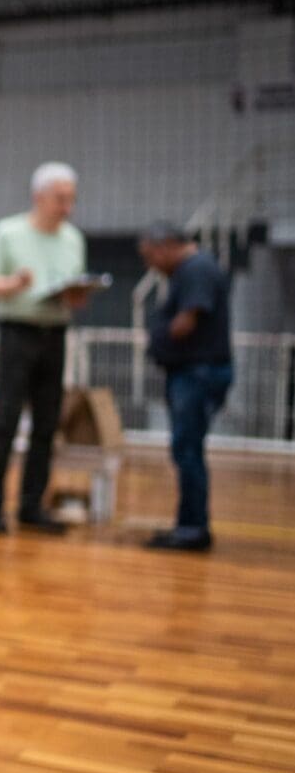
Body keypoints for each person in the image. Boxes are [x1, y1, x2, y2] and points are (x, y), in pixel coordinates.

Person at [0, 161, 92, 535]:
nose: (66, 207)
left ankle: (31, 505)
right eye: (60, 198)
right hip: (17, 333)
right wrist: (16, 283)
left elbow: (75, 292)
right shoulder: (8, 233)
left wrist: (76, 295)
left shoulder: (73, 238)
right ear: (38, 197)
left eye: (71, 199)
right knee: (5, 421)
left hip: (54, 334)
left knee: (46, 424)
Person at [139, 223, 234, 552]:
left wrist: (159, 340)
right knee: (187, 449)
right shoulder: (194, 269)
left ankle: (192, 529)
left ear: (165, 246)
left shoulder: (196, 270)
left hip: (197, 373)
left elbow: (187, 320)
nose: (150, 264)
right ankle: (189, 524)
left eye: (151, 256)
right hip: (195, 372)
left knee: (188, 449)